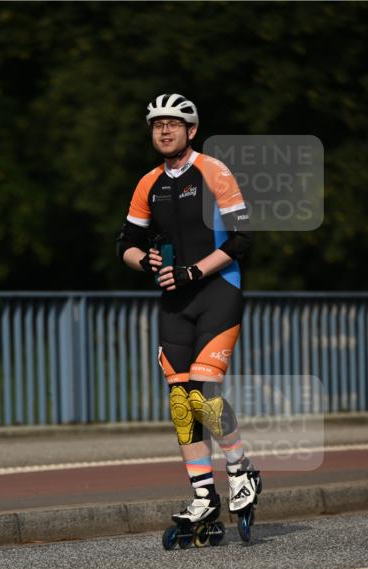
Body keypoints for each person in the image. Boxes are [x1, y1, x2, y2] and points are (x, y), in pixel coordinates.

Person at [116, 93, 261, 539]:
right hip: (175, 301)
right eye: (157, 124)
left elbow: (241, 238)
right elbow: (125, 244)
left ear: (191, 131)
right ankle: (203, 495)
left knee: (203, 395)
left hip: (218, 291)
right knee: (181, 402)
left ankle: (240, 470)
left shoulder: (214, 170)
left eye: (174, 123)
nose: (164, 130)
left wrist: (194, 270)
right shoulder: (148, 183)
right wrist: (146, 262)